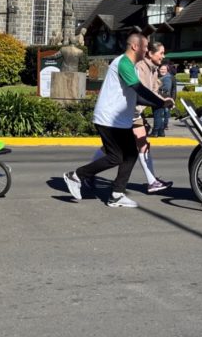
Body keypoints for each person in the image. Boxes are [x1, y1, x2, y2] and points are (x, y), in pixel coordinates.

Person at [62, 32, 174, 208]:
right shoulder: (123, 63)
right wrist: (160, 102)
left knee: (130, 154)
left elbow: (136, 97)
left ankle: (117, 194)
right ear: (135, 47)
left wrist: (159, 104)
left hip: (120, 119)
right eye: (145, 47)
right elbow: (138, 89)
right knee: (116, 157)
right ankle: (76, 176)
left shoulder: (132, 66)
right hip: (109, 118)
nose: (146, 50)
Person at [151, 63, 173, 138]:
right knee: (159, 115)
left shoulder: (166, 78)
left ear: (167, 70)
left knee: (157, 115)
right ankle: (161, 132)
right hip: (161, 98)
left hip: (161, 98)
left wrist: (156, 89)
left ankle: (155, 132)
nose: (162, 70)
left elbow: (166, 89)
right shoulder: (163, 77)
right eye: (161, 69)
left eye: (164, 69)